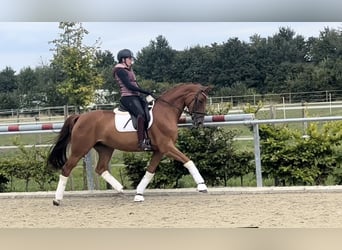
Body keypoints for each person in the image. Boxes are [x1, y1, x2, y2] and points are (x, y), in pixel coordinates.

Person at [113, 49, 154, 151]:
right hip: (127, 97)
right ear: (123, 60)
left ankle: (148, 137)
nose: (131, 60)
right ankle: (141, 142)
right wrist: (144, 91)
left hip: (135, 96)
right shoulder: (120, 70)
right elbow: (129, 86)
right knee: (140, 114)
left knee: (146, 110)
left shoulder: (129, 70)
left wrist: (145, 94)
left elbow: (135, 84)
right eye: (129, 58)